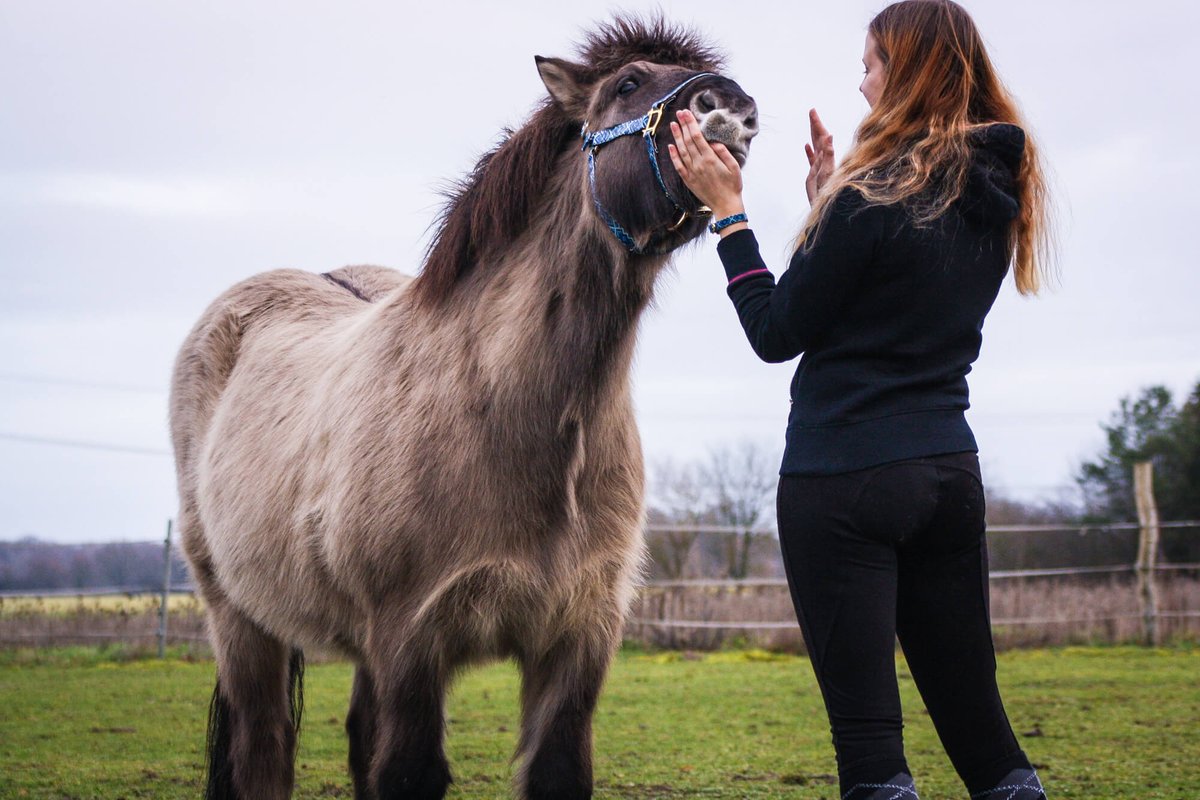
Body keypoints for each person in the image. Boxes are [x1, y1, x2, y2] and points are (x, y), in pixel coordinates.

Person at [666, 1, 1052, 798]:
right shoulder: (993, 189)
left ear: (906, 71)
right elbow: (890, 287)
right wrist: (824, 204)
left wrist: (728, 215)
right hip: (949, 475)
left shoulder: (867, 197)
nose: (862, 78)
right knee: (985, 737)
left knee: (872, 747)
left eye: (872, 62)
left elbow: (777, 331)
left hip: (842, 480)